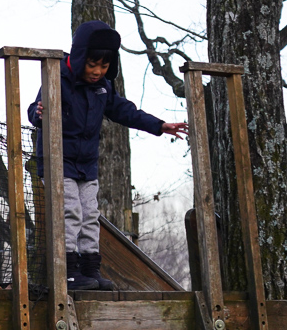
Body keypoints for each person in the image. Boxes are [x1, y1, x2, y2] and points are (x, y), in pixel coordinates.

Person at [28, 20, 188, 290]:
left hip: (86, 166)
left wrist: (159, 125)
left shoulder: (103, 87)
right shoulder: (57, 77)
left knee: (90, 215)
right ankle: (67, 272)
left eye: (103, 66)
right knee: (70, 213)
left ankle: (90, 271)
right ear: (80, 58)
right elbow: (36, 108)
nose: (97, 71)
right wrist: (38, 113)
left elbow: (125, 111)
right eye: (92, 65)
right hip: (58, 163)